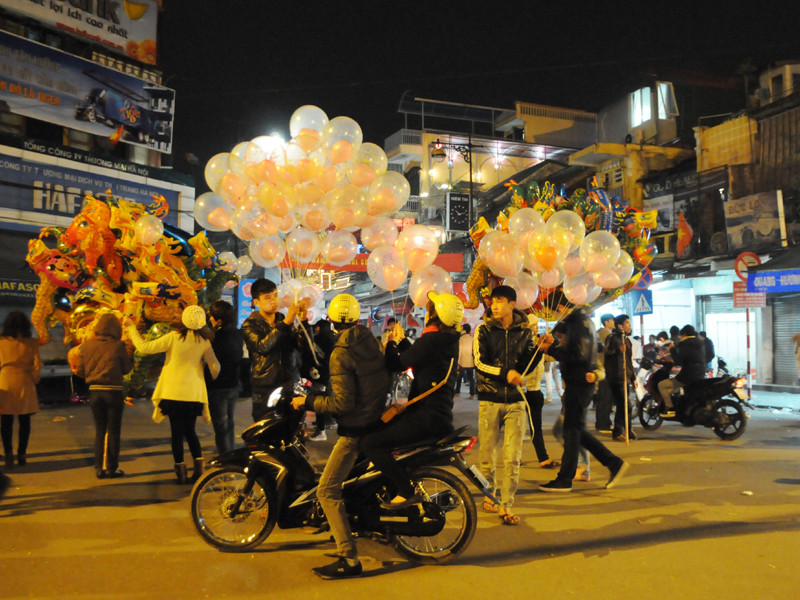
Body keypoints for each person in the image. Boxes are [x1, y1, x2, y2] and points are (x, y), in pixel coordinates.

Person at [290, 294, 389, 580]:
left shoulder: (341, 353)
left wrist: (308, 402)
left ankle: (349, 557)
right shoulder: (370, 341)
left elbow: (343, 404)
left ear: (332, 322)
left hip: (355, 428)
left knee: (326, 490)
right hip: (374, 419)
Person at [360, 291, 463, 510]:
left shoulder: (432, 339)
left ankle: (405, 490)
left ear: (435, 315)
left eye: (429, 309)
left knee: (370, 443)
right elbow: (419, 356)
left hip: (426, 417)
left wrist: (391, 344)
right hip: (438, 414)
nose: (425, 312)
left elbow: (397, 364)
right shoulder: (447, 340)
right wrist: (403, 341)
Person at [126, 305, 220, 483]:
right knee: (191, 431)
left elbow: (144, 347)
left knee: (176, 433)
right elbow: (215, 366)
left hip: (172, 393)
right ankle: (199, 470)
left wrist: (131, 328)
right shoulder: (204, 342)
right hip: (193, 393)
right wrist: (211, 376)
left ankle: (181, 473)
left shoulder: (173, 337)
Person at [473, 285, 543, 525]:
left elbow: (526, 366)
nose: (495, 305)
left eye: (500, 301)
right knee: (487, 456)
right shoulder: (483, 330)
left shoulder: (525, 332)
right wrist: (507, 374)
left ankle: (506, 505)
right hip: (489, 400)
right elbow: (479, 363)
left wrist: (541, 350)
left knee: (512, 456)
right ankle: (489, 493)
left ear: (513, 304)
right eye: (493, 301)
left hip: (515, 402)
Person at [538, 309, 628, 493]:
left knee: (571, 433)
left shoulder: (577, 323)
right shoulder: (582, 322)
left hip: (579, 385)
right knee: (574, 432)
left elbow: (576, 355)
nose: (553, 312)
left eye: (555, 309)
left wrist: (553, 348)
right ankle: (612, 463)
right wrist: (553, 345)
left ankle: (566, 478)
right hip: (579, 384)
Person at [241, 278, 313, 422]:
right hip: (265, 386)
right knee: (267, 427)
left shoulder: (282, 320)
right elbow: (263, 346)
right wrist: (286, 322)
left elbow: (302, 346)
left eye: (275, 295)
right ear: (257, 302)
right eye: (267, 297)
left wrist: (304, 322)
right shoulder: (249, 325)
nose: (273, 301)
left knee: (293, 425)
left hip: (290, 383)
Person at [73, 313, 133, 478]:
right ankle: (111, 468)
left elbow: (80, 371)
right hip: (114, 391)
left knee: (100, 430)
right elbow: (127, 368)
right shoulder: (118, 346)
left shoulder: (87, 345)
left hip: (95, 392)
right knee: (113, 431)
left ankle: (99, 468)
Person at [0, 311, 41, 469]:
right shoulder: (32, 343)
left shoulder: (1, 342)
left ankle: (8, 454)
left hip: (5, 380)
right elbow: (37, 365)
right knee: (25, 420)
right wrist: (34, 379)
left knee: (6, 420)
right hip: (25, 380)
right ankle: (22, 454)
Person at [205, 300, 243, 455]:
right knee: (230, 421)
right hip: (233, 383)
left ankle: (225, 456)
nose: (210, 320)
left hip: (218, 386)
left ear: (219, 320)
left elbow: (212, 363)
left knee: (220, 424)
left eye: (212, 317)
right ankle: (231, 451)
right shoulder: (237, 334)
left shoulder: (216, 338)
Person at [522, 315, 558, 469]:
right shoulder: (524, 344)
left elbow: (550, 358)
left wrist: (550, 344)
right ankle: (515, 456)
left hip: (535, 390)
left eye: (537, 325)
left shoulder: (538, 342)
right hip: (523, 390)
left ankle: (542, 457)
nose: (536, 328)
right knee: (519, 427)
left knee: (536, 427)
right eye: (533, 325)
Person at [657, 325, 706, 417]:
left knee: (662, 385)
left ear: (684, 334)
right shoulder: (700, 343)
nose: (679, 337)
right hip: (701, 374)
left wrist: (672, 349)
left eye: (680, 335)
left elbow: (678, 361)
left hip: (687, 376)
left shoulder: (684, 344)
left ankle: (670, 408)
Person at [605, 314, 638, 442]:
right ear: (620, 326)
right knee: (625, 404)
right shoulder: (612, 338)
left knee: (624, 404)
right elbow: (606, 352)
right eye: (627, 323)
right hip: (615, 376)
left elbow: (629, 361)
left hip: (625, 376)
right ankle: (623, 430)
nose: (630, 326)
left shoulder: (627, 341)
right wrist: (618, 349)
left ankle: (623, 430)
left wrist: (633, 378)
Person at [307, 319, 336, 442]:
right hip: (330, 375)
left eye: (317, 327)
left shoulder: (320, 341)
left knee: (320, 402)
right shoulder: (333, 339)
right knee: (326, 400)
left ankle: (321, 430)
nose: (316, 329)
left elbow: (315, 357)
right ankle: (328, 423)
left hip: (320, 376)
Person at [594, 313, 616, 433]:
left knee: (604, 396)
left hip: (602, 368)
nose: (614, 322)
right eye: (612, 320)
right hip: (603, 368)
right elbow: (608, 349)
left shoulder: (602, 332)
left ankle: (602, 423)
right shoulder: (604, 333)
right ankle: (603, 424)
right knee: (605, 397)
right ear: (606, 322)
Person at [454, 323, 475, 398]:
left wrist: (458, 362)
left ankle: (457, 393)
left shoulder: (461, 339)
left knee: (459, 378)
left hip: (462, 362)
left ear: (464, 330)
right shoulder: (472, 339)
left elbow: (460, 351)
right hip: (470, 362)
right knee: (471, 378)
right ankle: (472, 394)